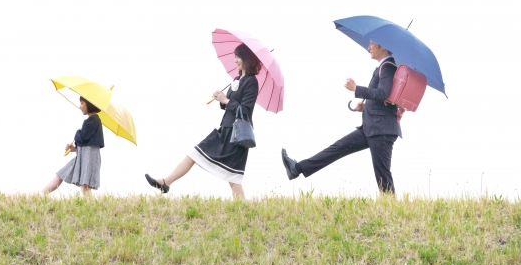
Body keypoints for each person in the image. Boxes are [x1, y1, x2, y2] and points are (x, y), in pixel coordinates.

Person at [282, 41, 401, 193]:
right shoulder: (383, 67)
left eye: (372, 44)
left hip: (381, 131)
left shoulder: (388, 67)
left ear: (383, 46)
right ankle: (296, 169)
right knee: (338, 148)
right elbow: (384, 99)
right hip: (371, 127)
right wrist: (365, 107)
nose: (368, 47)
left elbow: (383, 94)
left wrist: (356, 88)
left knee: (382, 174)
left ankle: (390, 210)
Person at [145, 43, 262, 199]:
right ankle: (166, 182)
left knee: (233, 178)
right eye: (234, 57)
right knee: (195, 153)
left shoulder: (252, 82)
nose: (235, 61)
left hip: (236, 136)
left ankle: (244, 212)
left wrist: (226, 100)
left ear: (246, 58)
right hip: (224, 130)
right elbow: (228, 105)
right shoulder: (236, 79)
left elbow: (245, 110)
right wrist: (220, 99)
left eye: (238, 57)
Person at [42, 96, 104, 196]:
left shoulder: (94, 120)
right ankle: (41, 194)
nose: (80, 106)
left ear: (90, 104)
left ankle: (89, 206)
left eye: (82, 103)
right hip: (81, 157)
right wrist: (74, 149)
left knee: (85, 183)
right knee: (62, 173)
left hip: (88, 158)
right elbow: (85, 143)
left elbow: (83, 138)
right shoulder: (89, 121)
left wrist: (78, 132)